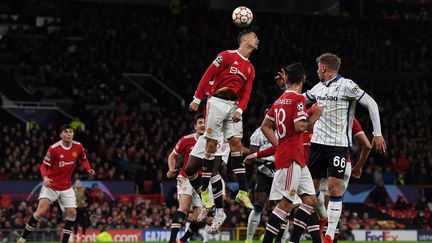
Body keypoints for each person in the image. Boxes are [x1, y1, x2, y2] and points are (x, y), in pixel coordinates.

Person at [304, 53, 386, 243]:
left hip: (337, 147)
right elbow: (300, 100)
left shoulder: (347, 85)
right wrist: (286, 88)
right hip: (317, 145)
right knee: (311, 192)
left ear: (324, 68)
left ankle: (330, 235)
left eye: (318, 68)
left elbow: (371, 103)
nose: (316, 71)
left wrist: (377, 133)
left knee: (334, 189)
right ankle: (322, 219)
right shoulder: (318, 88)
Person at [188, 29, 259, 210]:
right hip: (217, 102)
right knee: (211, 144)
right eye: (254, 37)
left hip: (234, 107)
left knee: (236, 144)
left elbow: (247, 93)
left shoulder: (251, 68)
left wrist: (241, 110)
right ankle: (205, 190)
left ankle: (243, 192)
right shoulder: (226, 56)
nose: (257, 40)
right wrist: (197, 99)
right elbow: (208, 74)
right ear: (245, 39)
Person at [260, 63, 323, 243]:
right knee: (286, 204)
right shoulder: (298, 100)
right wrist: (316, 116)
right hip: (290, 158)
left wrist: (279, 144)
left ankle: (293, 241)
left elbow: (265, 126)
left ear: (287, 79)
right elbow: (300, 126)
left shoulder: (280, 100)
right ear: (303, 78)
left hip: (296, 158)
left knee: (310, 200)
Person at [17, 124, 95, 243]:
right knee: (40, 212)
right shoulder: (54, 148)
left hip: (67, 187)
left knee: (72, 213)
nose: (69, 134)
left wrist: (88, 168)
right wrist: (45, 178)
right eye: (66, 132)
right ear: (61, 135)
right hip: (51, 185)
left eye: (71, 132)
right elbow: (43, 166)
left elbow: (84, 159)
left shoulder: (78, 146)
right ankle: (22, 239)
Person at [166, 113, 209, 243]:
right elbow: (172, 156)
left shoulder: (211, 141)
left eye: (205, 123)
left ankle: (183, 240)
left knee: (201, 218)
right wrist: (171, 168)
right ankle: (172, 241)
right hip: (186, 178)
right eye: (200, 123)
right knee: (184, 208)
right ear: (195, 126)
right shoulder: (186, 140)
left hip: (202, 182)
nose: (203, 125)